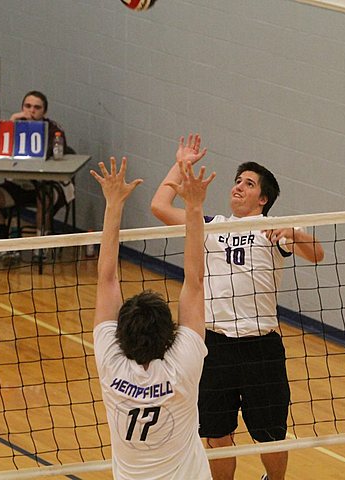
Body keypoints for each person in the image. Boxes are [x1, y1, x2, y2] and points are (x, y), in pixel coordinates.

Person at [151, 134, 325, 480]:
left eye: (248, 183)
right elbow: (159, 205)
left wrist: (292, 230)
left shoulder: (272, 230)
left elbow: (317, 254)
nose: (238, 187)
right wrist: (182, 163)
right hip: (215, 347)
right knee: (217, 434)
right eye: (237, 181)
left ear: (263, 199)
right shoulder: (210, 226)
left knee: (270, 435)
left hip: (261, 347)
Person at [92, 156, 214, 479]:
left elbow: (106, 280)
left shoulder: (111, 365)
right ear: (170, 333)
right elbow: (195, 281)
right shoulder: (183, 366)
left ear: (121, 334)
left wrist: (113, 204)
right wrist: (194, 207)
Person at [0, 91, 74, 261]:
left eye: (37, 107)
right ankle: (4, 245)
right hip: (19, 184)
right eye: (27, 106)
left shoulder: (54, 130)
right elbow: (1, 148)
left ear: (44, 112)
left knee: (43, 198)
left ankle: (41, 245)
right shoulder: (15, 125)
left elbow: (49, 154)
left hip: (47, 185)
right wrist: (11, 122)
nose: (31, 111)